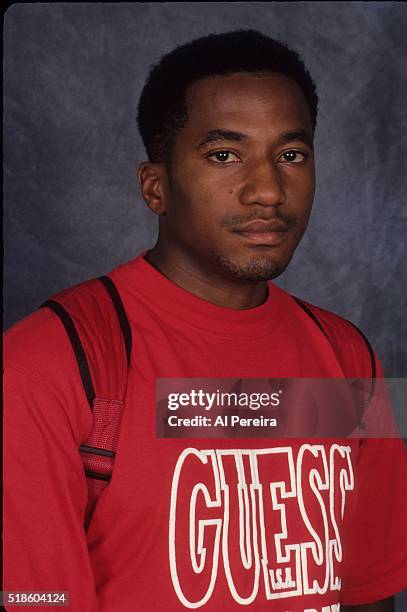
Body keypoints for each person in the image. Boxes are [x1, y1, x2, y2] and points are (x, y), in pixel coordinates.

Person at [4, 29, 407, 612]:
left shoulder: (347, 356)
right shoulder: (45, 366)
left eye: (291, 155)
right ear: (156, 187)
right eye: (225, 155)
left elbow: (369, 588)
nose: (268, 190)